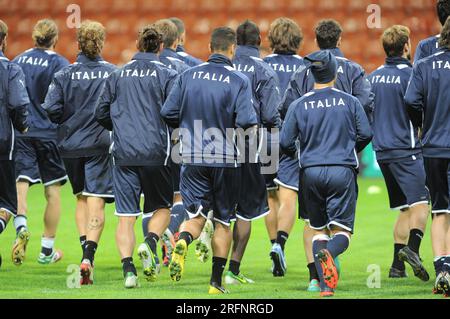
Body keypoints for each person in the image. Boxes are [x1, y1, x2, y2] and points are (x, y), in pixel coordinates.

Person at [161, 26, 257, 294]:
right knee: (223, 222)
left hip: (191, 155)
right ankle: (215, 282)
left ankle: (183, 240)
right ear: (232, 49)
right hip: (226, 157)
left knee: (195, 215)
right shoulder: (239, 80)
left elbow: (167, 111)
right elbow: (248, 121)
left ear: (209, 47)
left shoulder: (188, 75)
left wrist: (188, 127)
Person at [280, 19, 374, 291]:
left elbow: (286, 141)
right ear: (334, 71)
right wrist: (348, 149)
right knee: (342, 231)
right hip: (341, 169)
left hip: (309, 171)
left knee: (316, 229)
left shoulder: (299, 102)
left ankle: (322, 285)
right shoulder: (351, 100)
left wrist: (304, 151)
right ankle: (330, 255)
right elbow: (366, 133)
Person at [96, 25, 178, 288]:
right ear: (161, 47)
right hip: (157, 152)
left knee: (125, 216)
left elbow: (100, 112)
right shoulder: (167, 74)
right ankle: (151, 242)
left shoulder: (117, 75)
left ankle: (129, 271)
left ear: (138, 43)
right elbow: (175, 113)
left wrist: (119, 127)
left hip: (123, 153)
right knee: (163, 207)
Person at [42, 20, 116, 285]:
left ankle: (84, 249)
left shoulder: (64, 74)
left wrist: (69, 122)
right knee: (96, 199)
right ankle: (88, 258)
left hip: (70, 146)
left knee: (81, 199)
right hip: (99, 145)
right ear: (101, 43)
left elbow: (50, 108)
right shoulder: (112, 72)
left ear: (79, 44)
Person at [368, 25, 430, 281]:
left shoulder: (373, 76)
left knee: (404, 208)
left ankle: (396, 267)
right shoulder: (412, 74)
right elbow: (417, 104)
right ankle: (413, 250)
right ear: (406, 46)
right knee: (422, 203)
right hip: (407, 149)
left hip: (382, 152)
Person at [225, 20, 281, 285]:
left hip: (215, 145)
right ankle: (233, 269)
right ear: (260, 40)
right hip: (248, 144)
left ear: (234, 42)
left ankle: (199, 238)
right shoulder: (264, 70)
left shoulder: (223, 65)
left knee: (220, 207)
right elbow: (270, 115)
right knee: (245, 211)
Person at [12, 19, 69, 265]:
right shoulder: (60, 63)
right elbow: (64, 101)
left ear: (34, 37)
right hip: (49, 133)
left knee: (21, 180)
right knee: (52, 191)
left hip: (22, 131)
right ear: (55, 39)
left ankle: (21, 224)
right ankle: (47, 250)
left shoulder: (17, 60)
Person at [405, 16, 450, 297]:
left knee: (441, 210)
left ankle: (442, 269)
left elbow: (410, 100)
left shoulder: (423, 64)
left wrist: (421, 123)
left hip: (434, 146)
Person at [263, 17, 304, 277]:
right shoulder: (305, 67)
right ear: (297, 39)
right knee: (289, 196)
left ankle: (274, 251)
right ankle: (280, 244)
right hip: (293, 138)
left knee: (270, 197)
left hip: (265, 138)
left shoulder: (262, 65)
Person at [0, 19, 30, 266]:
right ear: (4, 40)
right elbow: (18, 104)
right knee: (8, 202)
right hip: (2, 143)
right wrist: (22, 125)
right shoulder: (10, 69)